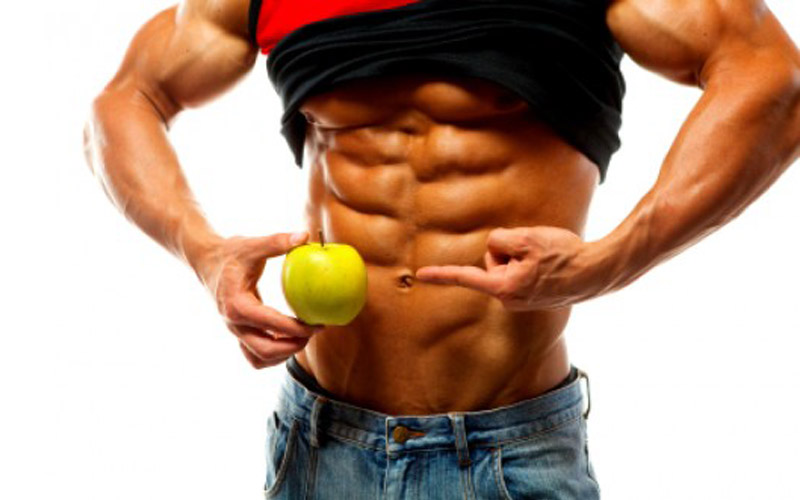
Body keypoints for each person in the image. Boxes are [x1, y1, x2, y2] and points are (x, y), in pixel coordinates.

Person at [83, 0, 800, 497]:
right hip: (320, 442)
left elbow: (771, 78)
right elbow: (124, 100)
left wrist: (613, 258)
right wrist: (204, 251)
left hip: (507, 454)